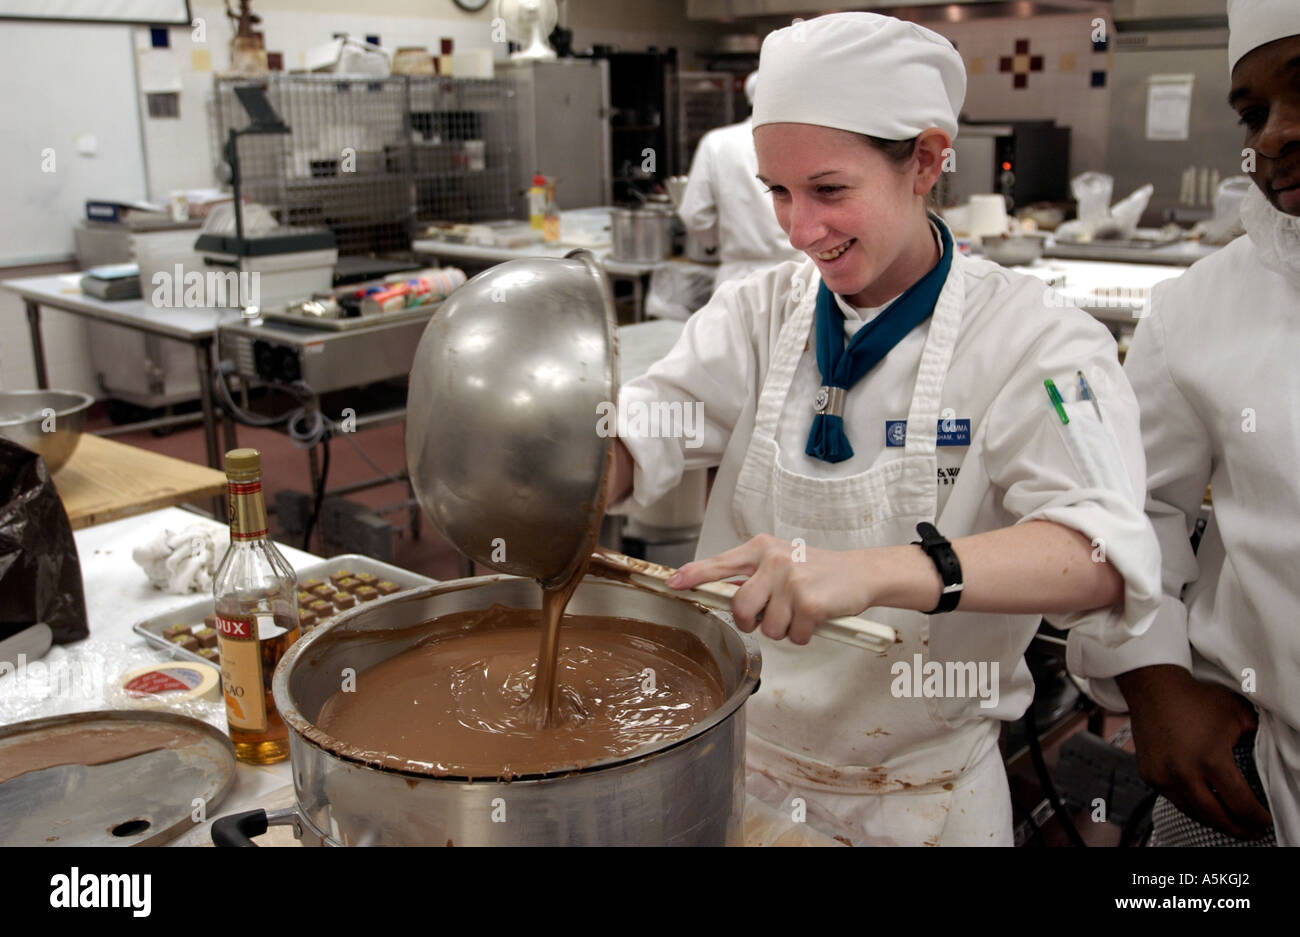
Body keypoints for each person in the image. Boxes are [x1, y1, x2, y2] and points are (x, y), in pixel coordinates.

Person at [604, 12, 1161, 846]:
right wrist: (567, 465)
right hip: (734, 764)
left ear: (928, 162)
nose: (799, 230)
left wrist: (882, 571)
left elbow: (1100, 553)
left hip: (921, 797)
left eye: (829, 190)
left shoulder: (1035, 340)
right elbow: (652, 423)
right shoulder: (760, 314)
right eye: (778, 193)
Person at [1067, 0, 1300, 847]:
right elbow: (1130, 506)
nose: (1273, 137)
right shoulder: (1200, 307)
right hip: (1254, 789)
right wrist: (1154, 677)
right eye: (1252, 113)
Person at [678, 71, 803, 289]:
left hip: (739, 277)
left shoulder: (717, 142)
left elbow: (694, 215)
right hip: (802, 276)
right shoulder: (808, 140)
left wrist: (723, 241)